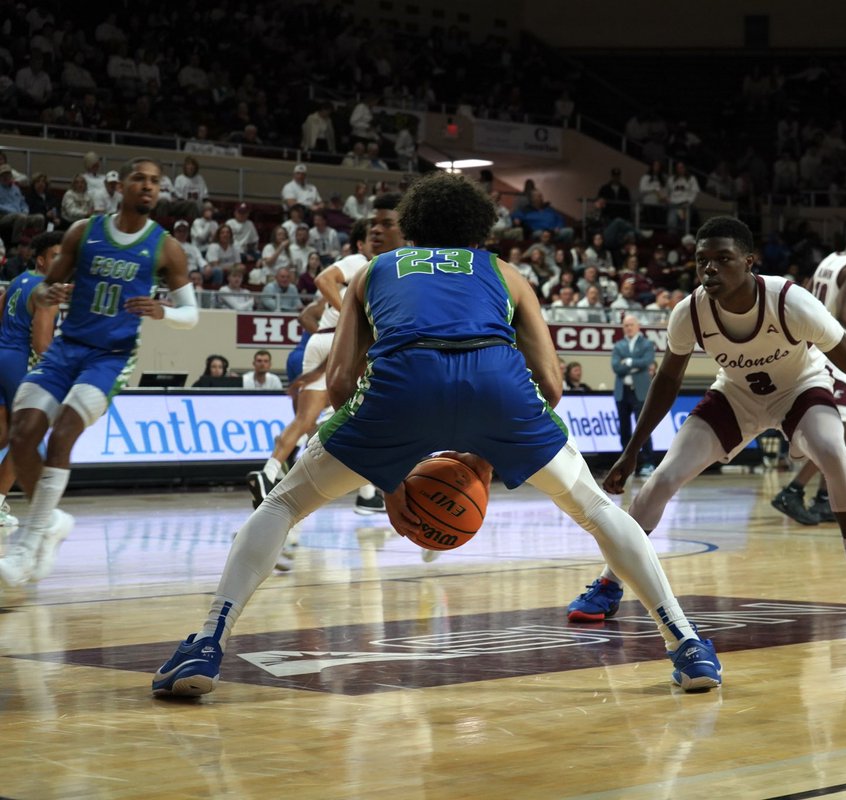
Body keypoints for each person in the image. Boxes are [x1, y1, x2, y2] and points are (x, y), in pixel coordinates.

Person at [152, 171, 721, 696]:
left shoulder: (375, 270)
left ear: (412, 225)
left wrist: (386, 468)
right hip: (497, 385)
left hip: (403, 385)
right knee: (595, 509)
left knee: (282, 505)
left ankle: (206, 644)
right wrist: (488, 456)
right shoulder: (506, 272)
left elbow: (342, 380)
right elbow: (551, 384)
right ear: (480, 229)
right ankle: (686, 644)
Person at [564, 216, 846, 633]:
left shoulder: (790, 302)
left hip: (799, 389)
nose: (710, 269)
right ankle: (609, 582)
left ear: (748, 262)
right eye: (702, 260)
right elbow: (667, 381)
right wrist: (632, 450)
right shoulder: (690, 312)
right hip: (736, 396)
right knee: (662, 478)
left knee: (834, 453)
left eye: (723, 259)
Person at [0, 158, 197, 588]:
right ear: (119, 186)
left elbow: (191, 314)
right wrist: (49, 292)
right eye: (139, 179)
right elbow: (45, 287)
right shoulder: (82, 231)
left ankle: (29, 544)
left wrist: (163, 311)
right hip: (66, 348)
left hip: (110, 357)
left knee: (63, 433)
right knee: (22, 434)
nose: (148, 186)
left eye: (155, 181)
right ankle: (51, 521)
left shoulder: (165, 247)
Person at [246, 215, 395, 514]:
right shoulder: (359, 263)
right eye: (371, 237)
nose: (378, 240)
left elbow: (309, 312)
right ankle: (367, 493)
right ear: (360, 244)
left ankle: (269, 472)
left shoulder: (355, 282)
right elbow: (322, 279)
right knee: (363, 417)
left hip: (322, 339)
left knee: (307, 420)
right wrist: (352, 318)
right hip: (342, 340)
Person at [772, 218, 846, 525]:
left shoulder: (829, 261)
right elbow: (845, 315)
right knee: (838, 431)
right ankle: (793, 491)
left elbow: (804, 297)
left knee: (839, 428)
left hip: (817, 350)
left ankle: (824, 499)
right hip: (836, 355)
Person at [0, 231, 64, 529]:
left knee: (3, 435)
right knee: (27, 438)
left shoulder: (18, 280)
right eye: (55, 256)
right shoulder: (47, 290)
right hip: (19, 364)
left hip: (2, 356)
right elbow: (41, 343)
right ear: (41, 260)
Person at [612, 314, 656, 476]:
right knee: (624, 429)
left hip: (640, 391)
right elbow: (616, 367)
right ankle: (626, 464)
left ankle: (648, 462)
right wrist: (636, 365)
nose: (628, 328)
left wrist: (628, 362)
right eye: (626, 325)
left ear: (638, 326)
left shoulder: (646, 344)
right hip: (623, 391)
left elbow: (647, 362)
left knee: (642, 427)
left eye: (631, 324)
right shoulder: (619, 345)